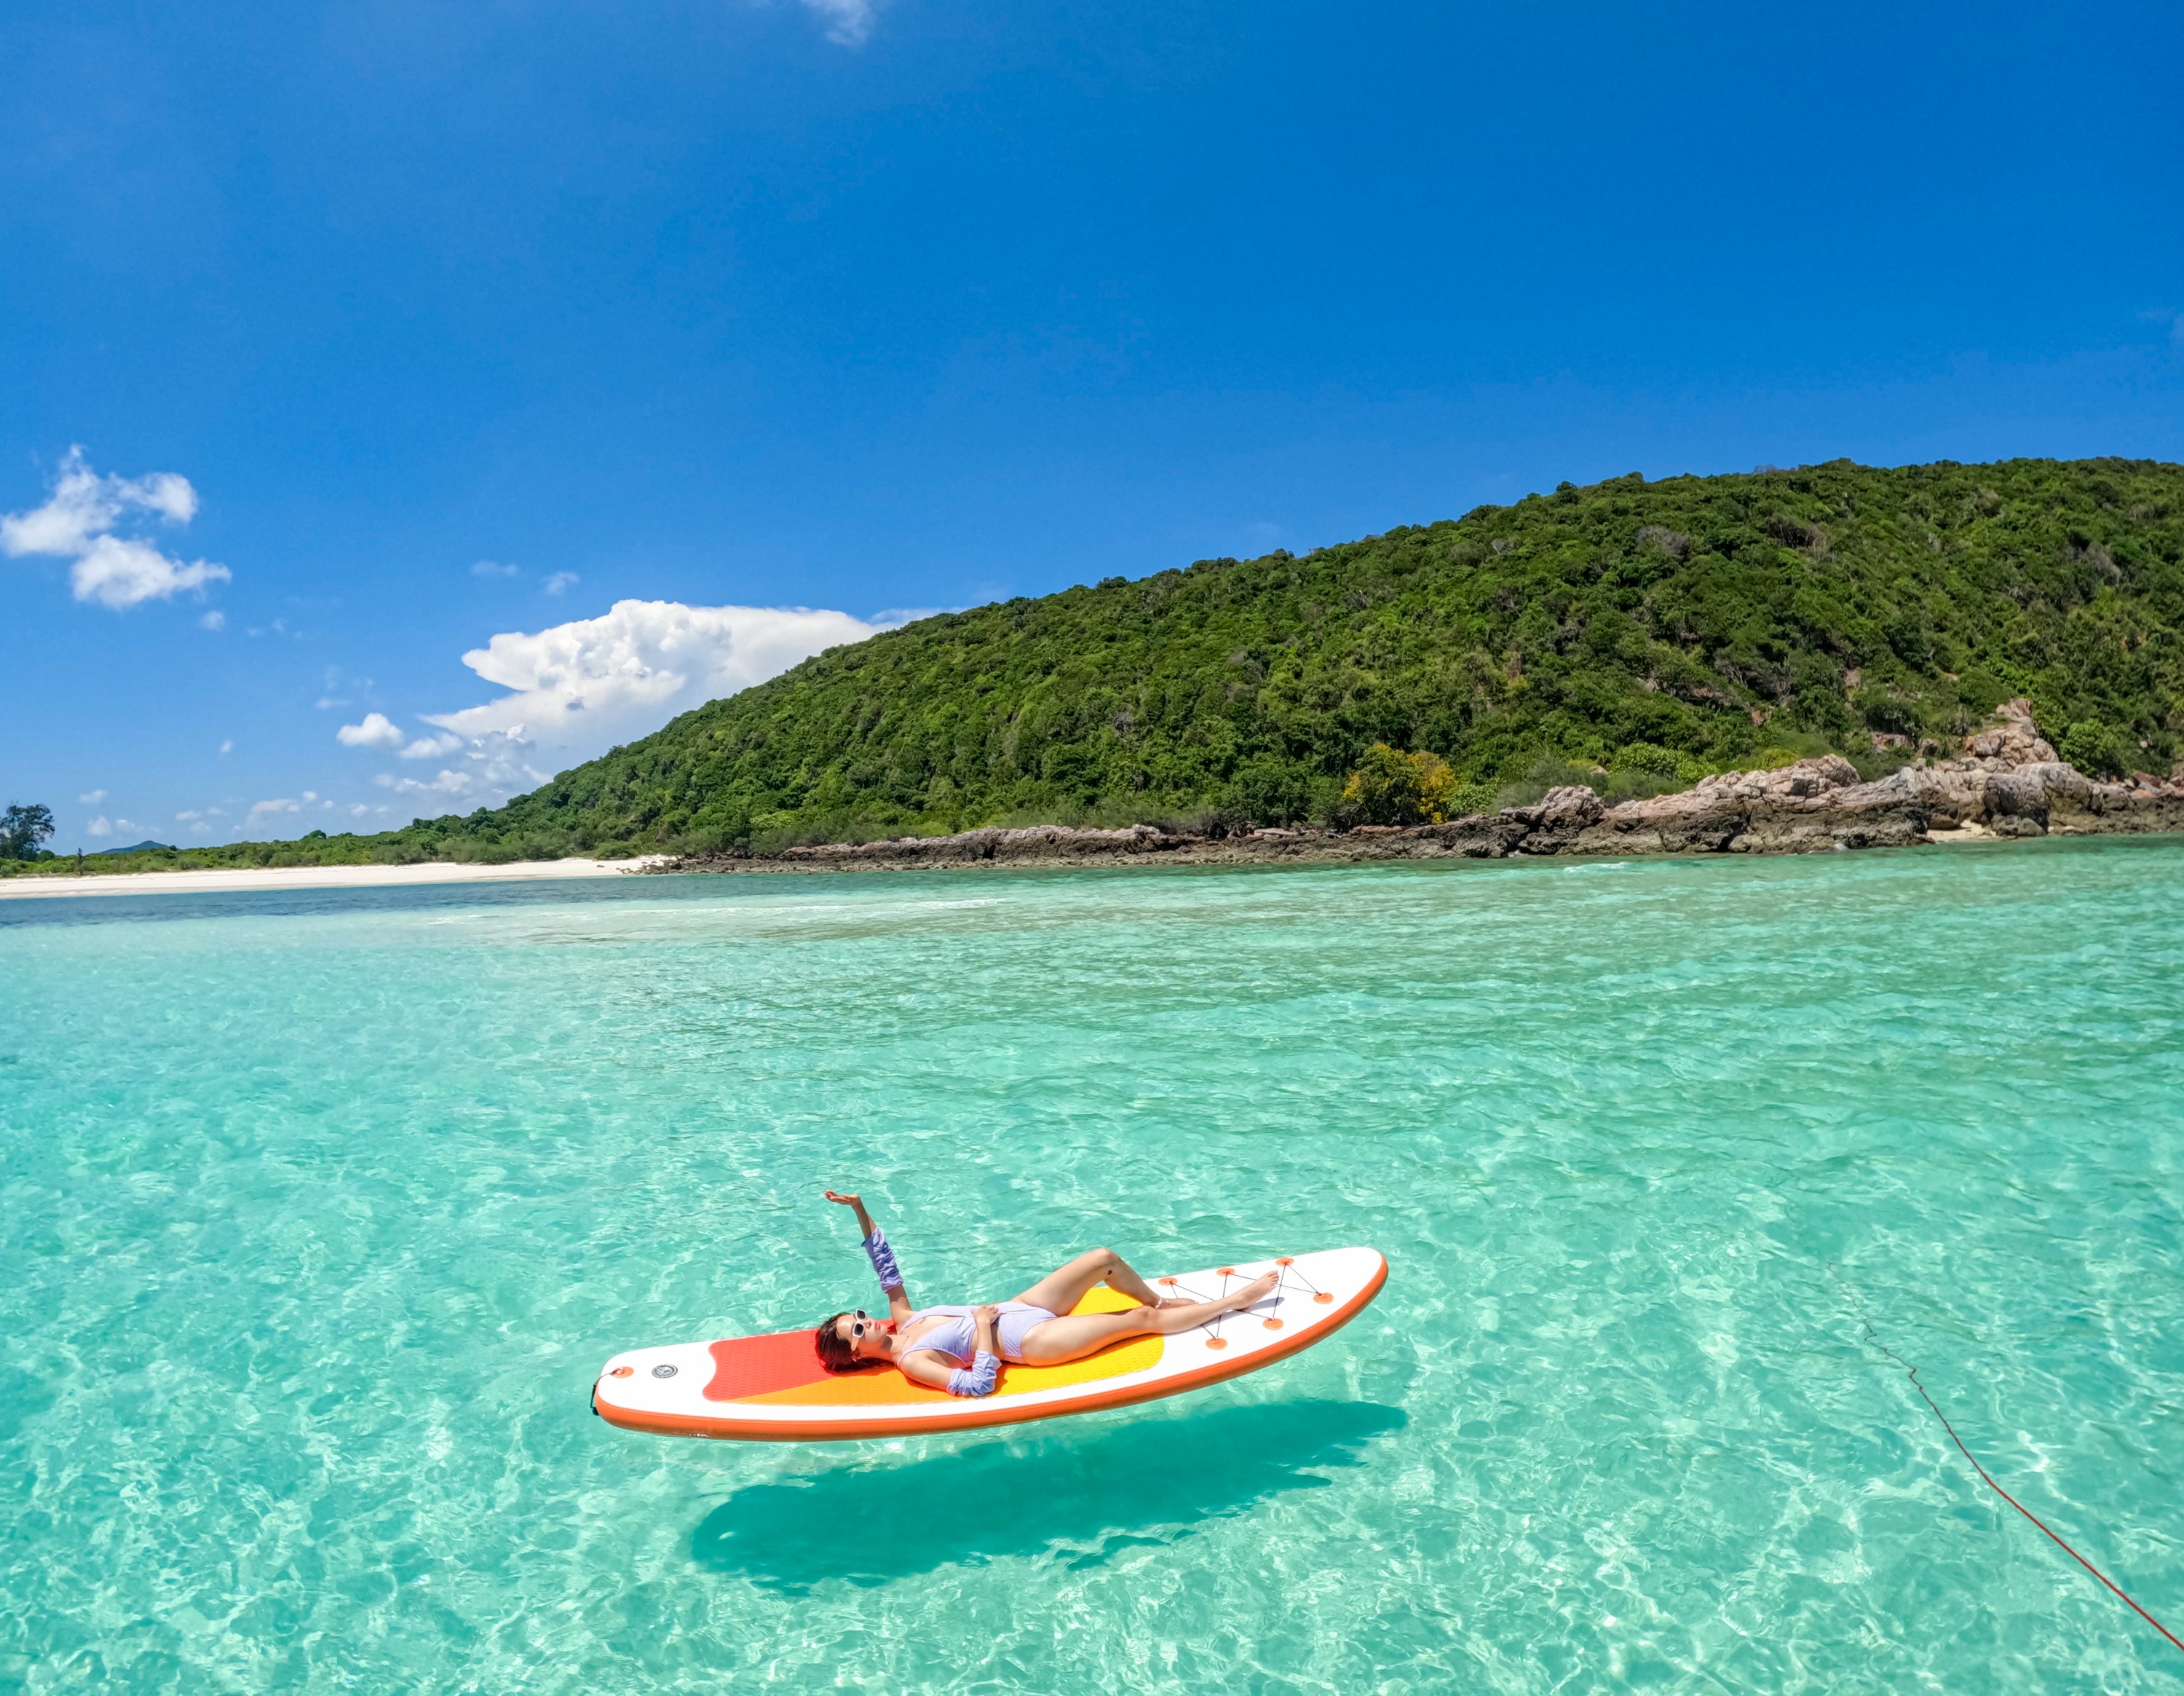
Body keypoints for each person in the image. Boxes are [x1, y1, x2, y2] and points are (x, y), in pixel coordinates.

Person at [814, 1190, 1278, 1398]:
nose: (867, 1319)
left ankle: (1157, 1300)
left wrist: (860, 1208)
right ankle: (1234, 1302)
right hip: (1029, 1343)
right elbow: (977, 1387)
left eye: (858, 1314)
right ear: (857, 1354)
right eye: (858, 1328)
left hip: (1023, 1307)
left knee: (1102, 1258)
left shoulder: (904, 1317)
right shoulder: (913, 1362)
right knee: (1136, 1325)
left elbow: (884, 1262)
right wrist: (980, 1328)